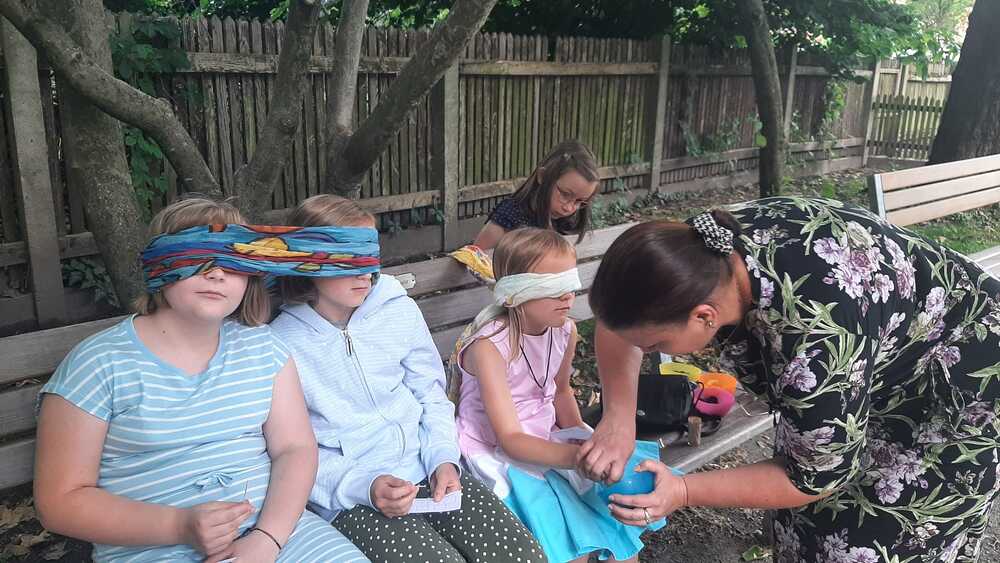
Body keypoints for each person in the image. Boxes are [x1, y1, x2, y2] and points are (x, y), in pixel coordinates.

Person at [580, 196, 1000, 562]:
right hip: (878, 347)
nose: (647, 350)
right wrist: (619, 418)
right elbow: (619, 324)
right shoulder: (697, 252)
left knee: (871, 541)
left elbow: (812, 478)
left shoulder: (815, 345)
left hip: (962, 383)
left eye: (654, 345)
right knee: (807, 526)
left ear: (704, 315)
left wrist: (683, 491)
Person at [33, 198, 367, 562]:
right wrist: (178, 526)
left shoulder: (263, 348)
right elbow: (59, 501)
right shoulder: (98, 364)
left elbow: (295, 448)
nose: (217, 274)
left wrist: (266, 539)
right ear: (159, 265)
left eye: (233, 260)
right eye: (197, 257)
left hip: (281, 534)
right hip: (154, 550)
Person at [269, 195, 545, 563]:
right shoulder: (282, 345)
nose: (364, 273)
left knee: (521, 554)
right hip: (353, 496)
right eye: (348, 258)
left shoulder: (395, 307)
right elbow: (292, 451)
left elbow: (429, 392)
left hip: (428, 467)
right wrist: (365, 487)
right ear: (308, 261)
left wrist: (443, 458)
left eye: (370, 256)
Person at [455, 227, 665, 563]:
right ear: (515, 293)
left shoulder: (564, 330)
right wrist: (576, 460)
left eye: (571, 284)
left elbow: (561, 392)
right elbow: (509, 439)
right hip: (496, 449)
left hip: (547, 435)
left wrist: (587, 440)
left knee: (618, 532)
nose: (568, 296)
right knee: (570, 550)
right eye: (553, 289)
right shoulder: (489, 347)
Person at [472, 140, 599, 251]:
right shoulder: (510, 216)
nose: (569, 208)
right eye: (565, 194)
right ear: (542, 176)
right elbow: (475, 260)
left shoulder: (568, 223)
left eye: (579, 201)